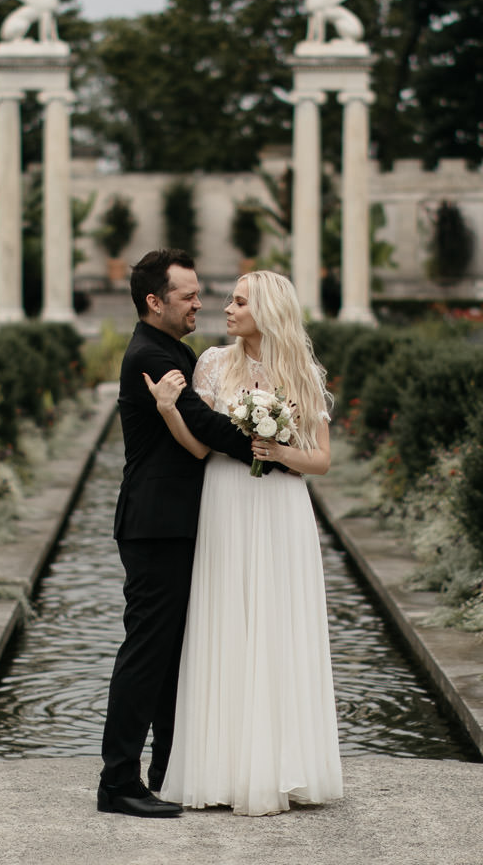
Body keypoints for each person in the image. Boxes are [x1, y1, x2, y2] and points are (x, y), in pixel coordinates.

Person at [143, 268, 343, 816]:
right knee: (224, 622)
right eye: (227, 300)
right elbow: (200, 448)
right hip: (225, 504)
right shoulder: (211, 363)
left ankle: (282, 767)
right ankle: (221, 769)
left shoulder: (302, 370)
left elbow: (321, 460)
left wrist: (277, 453)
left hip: (281, 509)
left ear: (267, 312)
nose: (225, 309)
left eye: (237, 302)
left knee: (277, 627)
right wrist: (166, 410)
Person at [98, 249, 283, 818]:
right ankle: (118, 783)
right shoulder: (151, 356)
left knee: (173, 653)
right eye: (188, 295)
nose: (200, 302)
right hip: (156, 525)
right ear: (155, 301)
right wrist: (270, 445)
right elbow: (204, 427)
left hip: (175, 523)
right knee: (147, 654)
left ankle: (165, 770)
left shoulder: (171, 349)